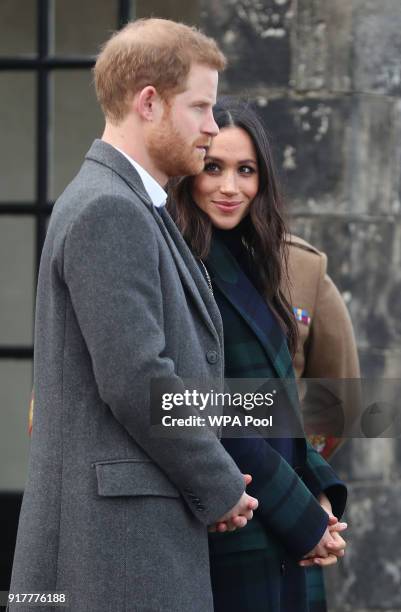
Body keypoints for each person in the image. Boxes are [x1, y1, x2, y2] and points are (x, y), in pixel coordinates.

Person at [9, 21, 259, 612]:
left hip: (122, 542)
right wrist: (219, 486)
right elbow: (139, 380)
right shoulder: (109, 209)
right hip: (110, 553)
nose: (212, 127)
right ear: (149, 101)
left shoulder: (128, 202)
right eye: (200, 106)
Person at [168, 97, 348, 612]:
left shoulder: (263, 263)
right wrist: (301, 516)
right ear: (189, 173)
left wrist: (321, 492)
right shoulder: (179, 262)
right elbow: (206, 408)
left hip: (287, 526)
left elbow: (313, 405)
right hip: (232, 520)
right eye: (213, 168)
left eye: (245, 170)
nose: (230, 187)